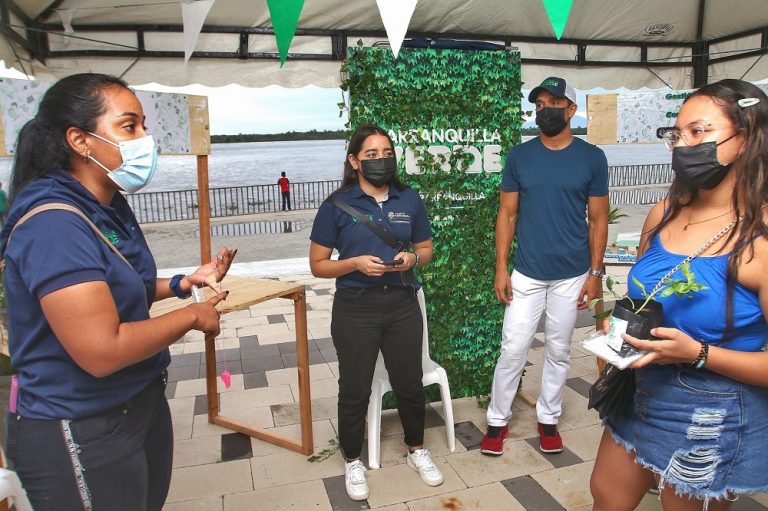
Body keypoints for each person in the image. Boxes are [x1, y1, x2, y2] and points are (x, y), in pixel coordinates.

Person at [0, 73, 237, 511]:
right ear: (80, 140)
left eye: (144, 125)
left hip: (137, 403)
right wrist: (193, 316)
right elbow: (102, 349)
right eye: (129, 127)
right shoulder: (54, 224)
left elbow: (122, 288)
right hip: (82, 424)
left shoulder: (106, 205)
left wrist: (185, 283)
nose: (146, 139)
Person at [591, 79, 768, 510]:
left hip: (712, 412)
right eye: (678, 134)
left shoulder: (760, 241)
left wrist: (698, 353)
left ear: (742, 140)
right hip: (639, 390)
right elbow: (647, 292)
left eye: (699, 132)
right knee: (606, 495)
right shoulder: (664, 211)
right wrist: (617, 329)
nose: (682, 145)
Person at [309, 124, 442, 501]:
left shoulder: (409, 198)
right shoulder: (336, 205)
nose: (381, 160)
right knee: (355, 388)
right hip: (355, 308)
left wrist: (413, 258)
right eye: (371, 155)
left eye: (386, 153)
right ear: (354, 161)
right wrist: (353, 264)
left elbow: (426, 249)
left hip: (402, 304)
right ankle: (353, 460)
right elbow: (318, 264)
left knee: (409, 384)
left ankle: (417, 450)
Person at [480, 76, 609, 456]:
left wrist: (596, 274)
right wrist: (501, 268)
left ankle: (548, 419)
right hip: (527, 272)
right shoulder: (520, 156)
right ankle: (497, 421)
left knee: (558, 349)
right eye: (539, 104)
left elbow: (599, 219)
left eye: (553, 102)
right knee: (513, 347)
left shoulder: (591, 158)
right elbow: (507, 214)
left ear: (571, 109)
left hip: (572, 274)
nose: (544, 109)